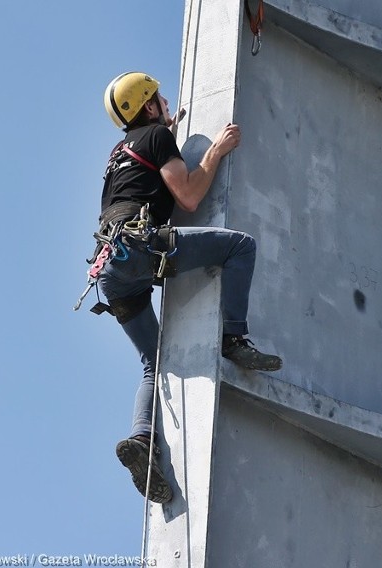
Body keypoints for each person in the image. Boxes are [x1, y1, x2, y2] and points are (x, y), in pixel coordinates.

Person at [94, 71, 282, 503]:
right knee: (240, 247)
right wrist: (215, 150)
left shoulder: (119, 150)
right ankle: (233, 338)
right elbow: (190, 197)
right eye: (158, 98)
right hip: (141, 249)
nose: (165, 100)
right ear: (148, 107)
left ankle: (142, 440)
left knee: (151, 362)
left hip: (110, 269)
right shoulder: (157, 139)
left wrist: (168, 134)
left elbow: (138, 183)